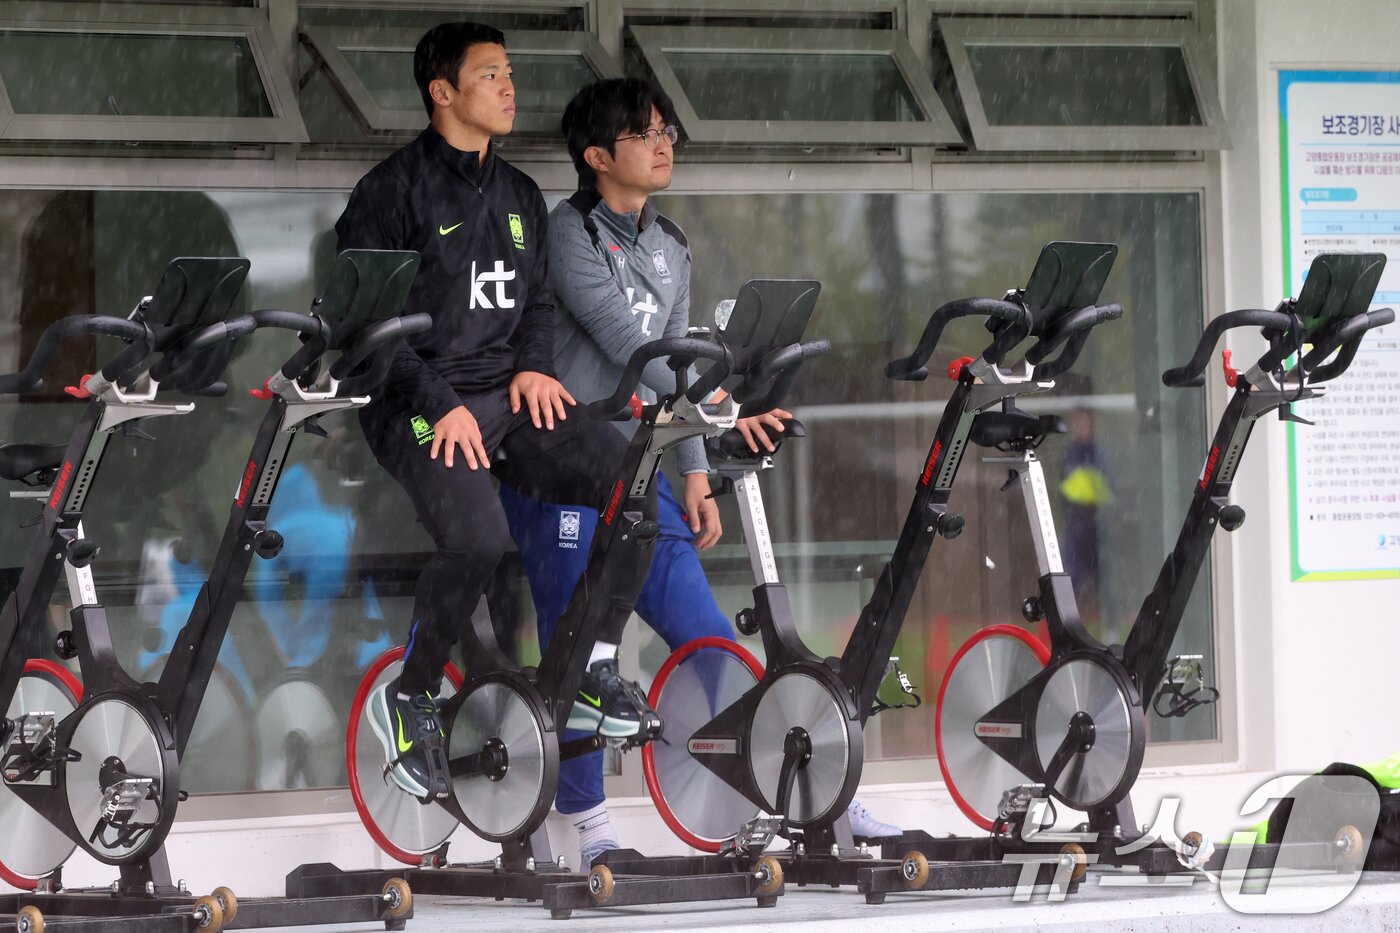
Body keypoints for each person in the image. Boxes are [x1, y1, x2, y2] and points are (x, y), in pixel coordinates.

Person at [497, 78, 900, 868]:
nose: (663, 144)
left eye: (666, 130)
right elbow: (631, 346)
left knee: (712, 642)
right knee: (573, 651)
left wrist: (693, 470)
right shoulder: (567, 235)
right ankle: (585, 825)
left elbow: (675, 355)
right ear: (596, 156)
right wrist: (721, 405)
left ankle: (807, 790)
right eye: (644, 133)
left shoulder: (671, 244)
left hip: (641, 474)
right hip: (562, 476)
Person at [335, 23, 656, 802]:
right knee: (479, 539)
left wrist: (537, 367)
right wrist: (439, 404)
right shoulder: (389, 192)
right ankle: (412, 692)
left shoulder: (519, 195)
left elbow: (536, 302)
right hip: (413, 402)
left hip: (505, 398)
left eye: (509, 72)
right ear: (443, 91)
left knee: (635, 492)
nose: (509, 87)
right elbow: (367, 329)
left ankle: (587, 667)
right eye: (489, 75)